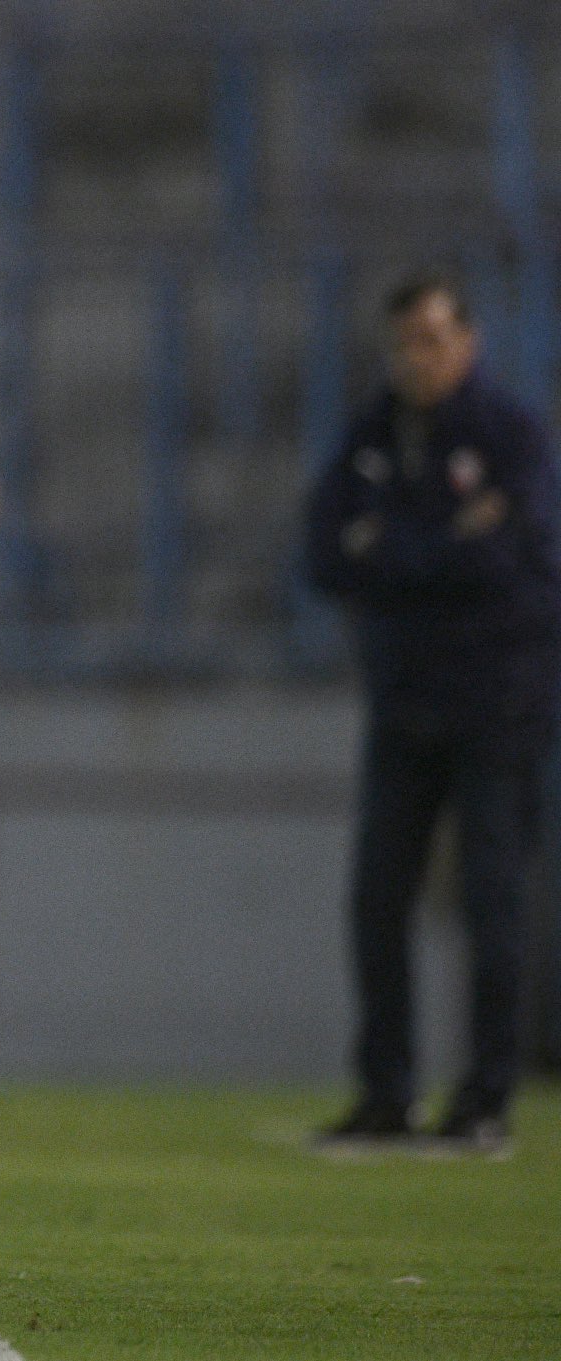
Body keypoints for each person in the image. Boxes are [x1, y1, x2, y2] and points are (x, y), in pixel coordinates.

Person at [305, 271, 560, 1155]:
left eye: (433, 339)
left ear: (469, 342)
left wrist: (393, 548)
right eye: (404, 341)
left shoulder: (509, 433)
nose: (417, 359)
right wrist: (443, 540)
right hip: (405, 703)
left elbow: (504, 558)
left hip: (500, 703)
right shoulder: (373, 431)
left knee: (492, 898)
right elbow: (323, 552)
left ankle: (486, 1097)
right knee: (378, 898)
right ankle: (387, 1092)